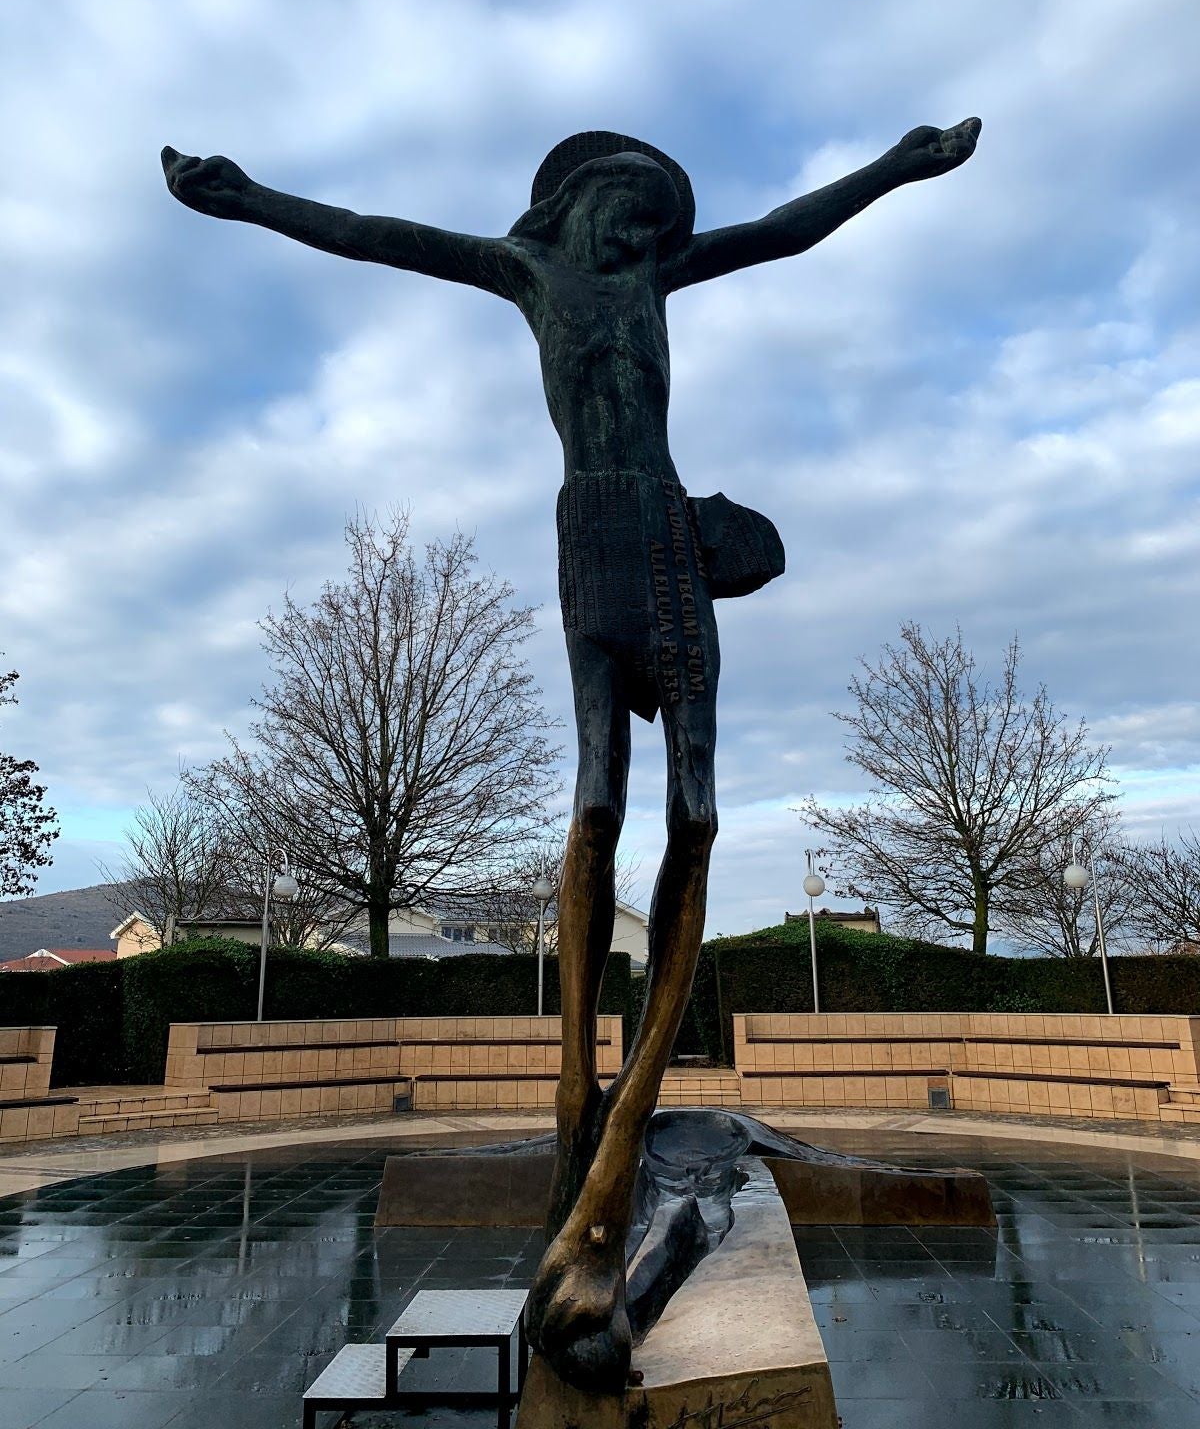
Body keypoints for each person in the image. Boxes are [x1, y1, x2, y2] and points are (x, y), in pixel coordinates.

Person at [162, 115, 980, 1390]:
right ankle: (570, 1117)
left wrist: (896, 166)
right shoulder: (530, 271)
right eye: (634, 208)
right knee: (596, 802)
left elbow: (781, 231)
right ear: (581, 202)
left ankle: (623, 1136)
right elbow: (377, 238)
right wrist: (252, 198)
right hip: (587, 543)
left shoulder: (660, 276)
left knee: (696, 818)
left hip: (665, 533)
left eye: (663, 217)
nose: (650, 231)